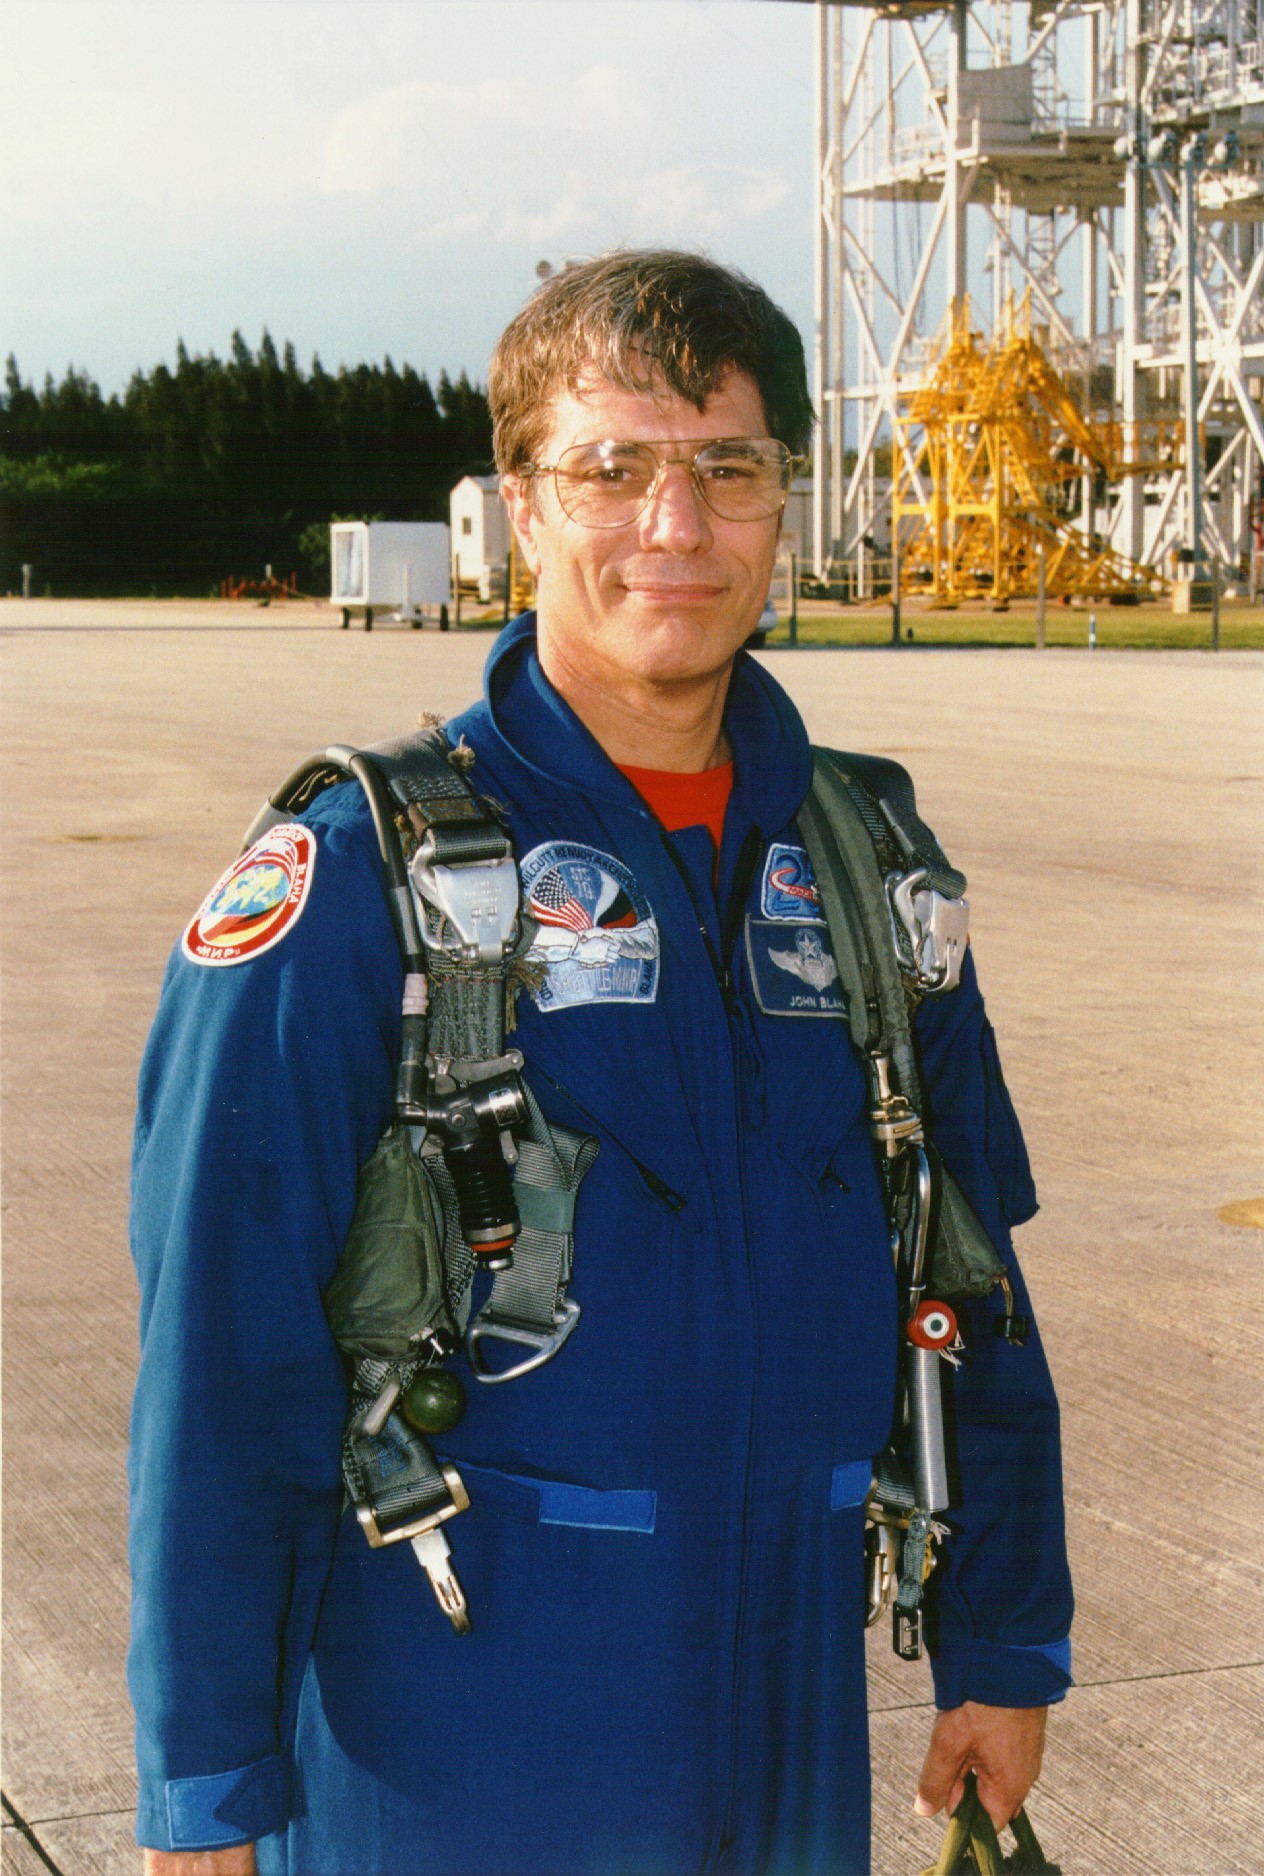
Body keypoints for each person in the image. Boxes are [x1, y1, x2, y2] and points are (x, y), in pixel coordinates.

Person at [129, 250, 1072, 1876]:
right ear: (519, 507)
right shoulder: (367, 873)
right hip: (453, 1709)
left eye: (727, 468)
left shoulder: (867, 868)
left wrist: (1000, 1641)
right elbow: (226, 1345)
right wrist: (207, 1779)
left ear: (786, 496)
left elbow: (964, 1272)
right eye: (612, 468)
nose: (675, 528)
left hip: (783, 1706)